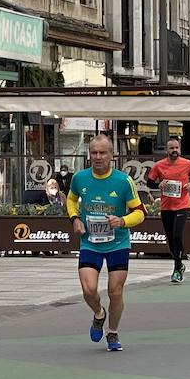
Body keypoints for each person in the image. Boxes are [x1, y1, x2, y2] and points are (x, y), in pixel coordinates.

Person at [69, 134, 145, 349]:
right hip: (90, 242)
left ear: (112, 155)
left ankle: (112, 332)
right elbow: (71, 199)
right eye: (94, 152)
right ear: (89, 155)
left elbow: (140, 213)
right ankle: (99, 314)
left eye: (103, 153)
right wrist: (75, 219)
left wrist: (122, 220)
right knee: (88, 290)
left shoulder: (122, 181)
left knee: (115, 292)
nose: (98, 157)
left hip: (117, 243)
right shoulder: (80, 178)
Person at [145, 136, 190, 283]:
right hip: (166, 206)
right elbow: (149, 182)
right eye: (171, 148)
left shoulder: (187, 164)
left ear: (180, 149)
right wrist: (159, 184)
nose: (174, 150)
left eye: (176, 148)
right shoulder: (159, 165)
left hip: (182, 205)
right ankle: (180, 263)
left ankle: (177, 269)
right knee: (170, 238)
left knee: (177, 235)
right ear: (166, 150)